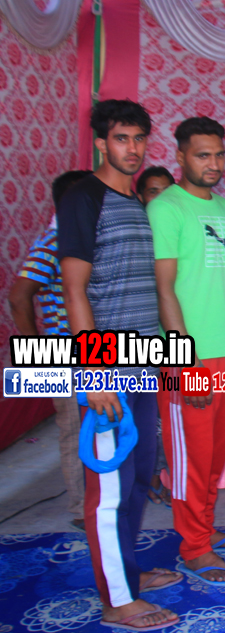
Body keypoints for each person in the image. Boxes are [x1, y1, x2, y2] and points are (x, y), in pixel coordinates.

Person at [57, 99, 180, 630]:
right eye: (121, 138)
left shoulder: (136, 201)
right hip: (106, 371)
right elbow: (74, 289)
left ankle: (128, 573)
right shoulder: (84, 198)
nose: (132, 148)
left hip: (144, 364)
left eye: (138, 138)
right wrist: (94, 372)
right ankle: (117, 601)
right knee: (107, 490)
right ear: (101, 143)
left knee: (134, 481)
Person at [147, 116, 225, 585]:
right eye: (202, 155)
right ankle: (193, 548)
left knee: (213, 455)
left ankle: (205, 531)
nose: (213, 163)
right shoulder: (166, 208)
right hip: (187, 356)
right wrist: (183, 358)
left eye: (219, 155)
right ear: (180, 157)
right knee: (189, 458)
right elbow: (164, 288)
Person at [9, 170, 92, 531]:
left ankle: (96, 500)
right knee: (75, 430)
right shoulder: (54, 241)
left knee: (96, 428)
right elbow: (19, 295)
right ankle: (81, 508)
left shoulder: (81, 238)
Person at [135, 165, 175, 507]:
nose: (160, 198)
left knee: (165, 419)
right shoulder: (137, 236)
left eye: (166, 191)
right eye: (152, 191)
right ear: (140, 197)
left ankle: (164, 478)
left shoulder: (175, 231)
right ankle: (147, 477)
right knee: (147, 418)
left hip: (170, 340)